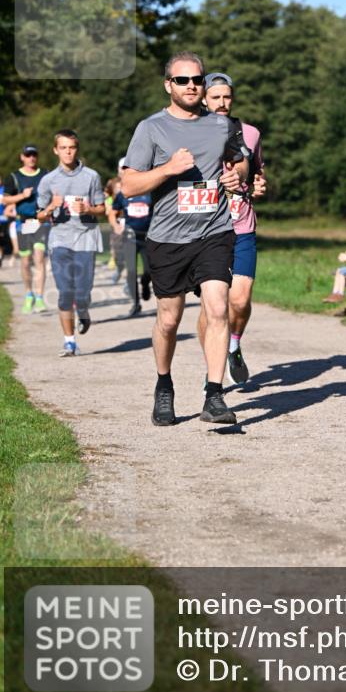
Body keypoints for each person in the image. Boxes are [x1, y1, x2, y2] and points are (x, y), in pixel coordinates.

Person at [121, 52, 248, 427]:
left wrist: (235, 176)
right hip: (167, 238)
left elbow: (240, 160)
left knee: (218, 307)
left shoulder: (220, 126)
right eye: (183, 80)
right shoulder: (151, 128)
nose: (192, 86)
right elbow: (129, 185)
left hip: (214, 231)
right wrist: (168, 169)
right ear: (168, 85)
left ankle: (214, 394)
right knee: (169, 319)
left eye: (197, 80)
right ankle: (164, 385)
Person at [195, 72, 266, 386]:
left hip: (242, 226)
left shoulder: (249, 133)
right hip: (205, 231)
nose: (222, 103)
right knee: (212, 305)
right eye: (216, 97)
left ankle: (233, 344)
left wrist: (259, 184)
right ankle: (213, 368)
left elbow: (258, 173)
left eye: (227, 97)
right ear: (203, 99)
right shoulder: (190, 133)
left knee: (239, 300)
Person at [36, 130, 106, 356]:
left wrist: (89, 209)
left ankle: (83, 311)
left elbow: (102, 209)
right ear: (56, 150)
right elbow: (38, 215)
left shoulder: (91, 176)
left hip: (86, 239)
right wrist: (50, 207)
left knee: (83, 293)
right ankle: (69, 341)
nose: (68, 151)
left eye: (72, 147)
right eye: (63, 147)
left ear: (77, 149)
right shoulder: (48, 180)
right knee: (65, 291)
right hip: (60, 241)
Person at [2, 144, 49, 312]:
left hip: (40, 222)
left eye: (34, 155)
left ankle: (40, 297)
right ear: (22, 157)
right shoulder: (14, 177)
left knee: (39, 258)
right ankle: (29, 293)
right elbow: (4, 200)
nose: (31, 158)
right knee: (25, 260)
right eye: (28, 155)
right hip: (23, 223)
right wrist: (23, 195)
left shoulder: (45, 174)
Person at [110, 165, 153, 317]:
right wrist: (115, 225)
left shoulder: (150, 192)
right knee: (131, 271)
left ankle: (146, 283)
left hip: (147, 237)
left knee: (148, 270)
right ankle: (136, 303)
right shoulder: (123, 194)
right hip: (130, 237)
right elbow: (112, 212)